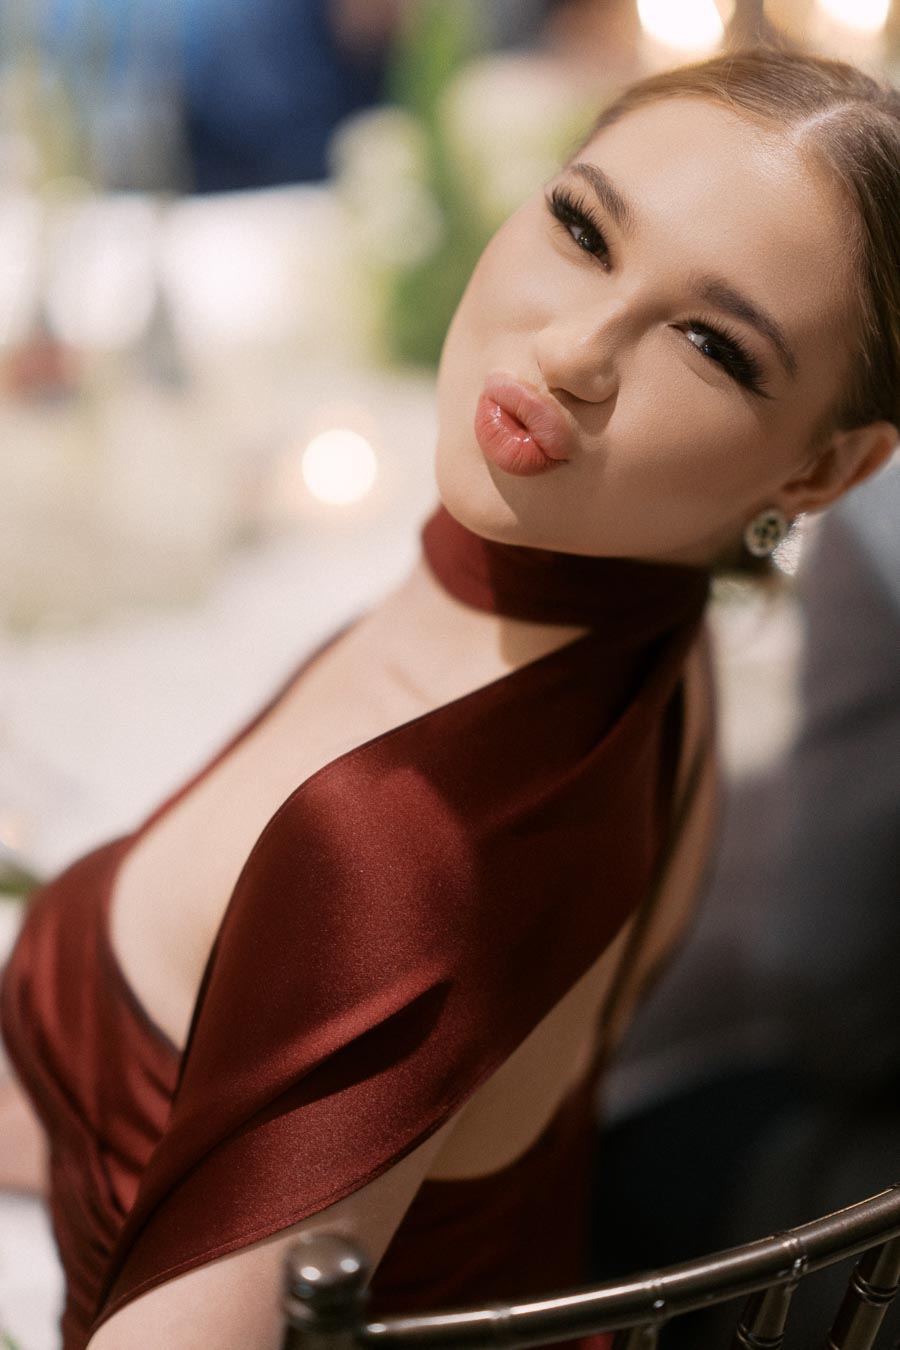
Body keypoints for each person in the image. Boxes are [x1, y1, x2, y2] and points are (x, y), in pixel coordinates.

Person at [1, 42, 898, 1350]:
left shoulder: (405, 841)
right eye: (584, 227)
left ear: (824, 471)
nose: (578, 349)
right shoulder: (647, 651)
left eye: (711, 342)